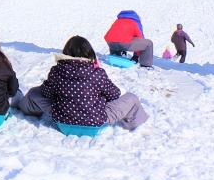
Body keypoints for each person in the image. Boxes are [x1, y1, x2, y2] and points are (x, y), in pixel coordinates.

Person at [14, 35, 149, 130]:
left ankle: (26, 110)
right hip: (95, 121)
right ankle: (132, 125)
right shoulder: (97, 73)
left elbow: (46, 92)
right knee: (132, 98)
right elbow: (115, 94)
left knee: (33, 93)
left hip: (62, 120)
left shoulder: (57, 70)